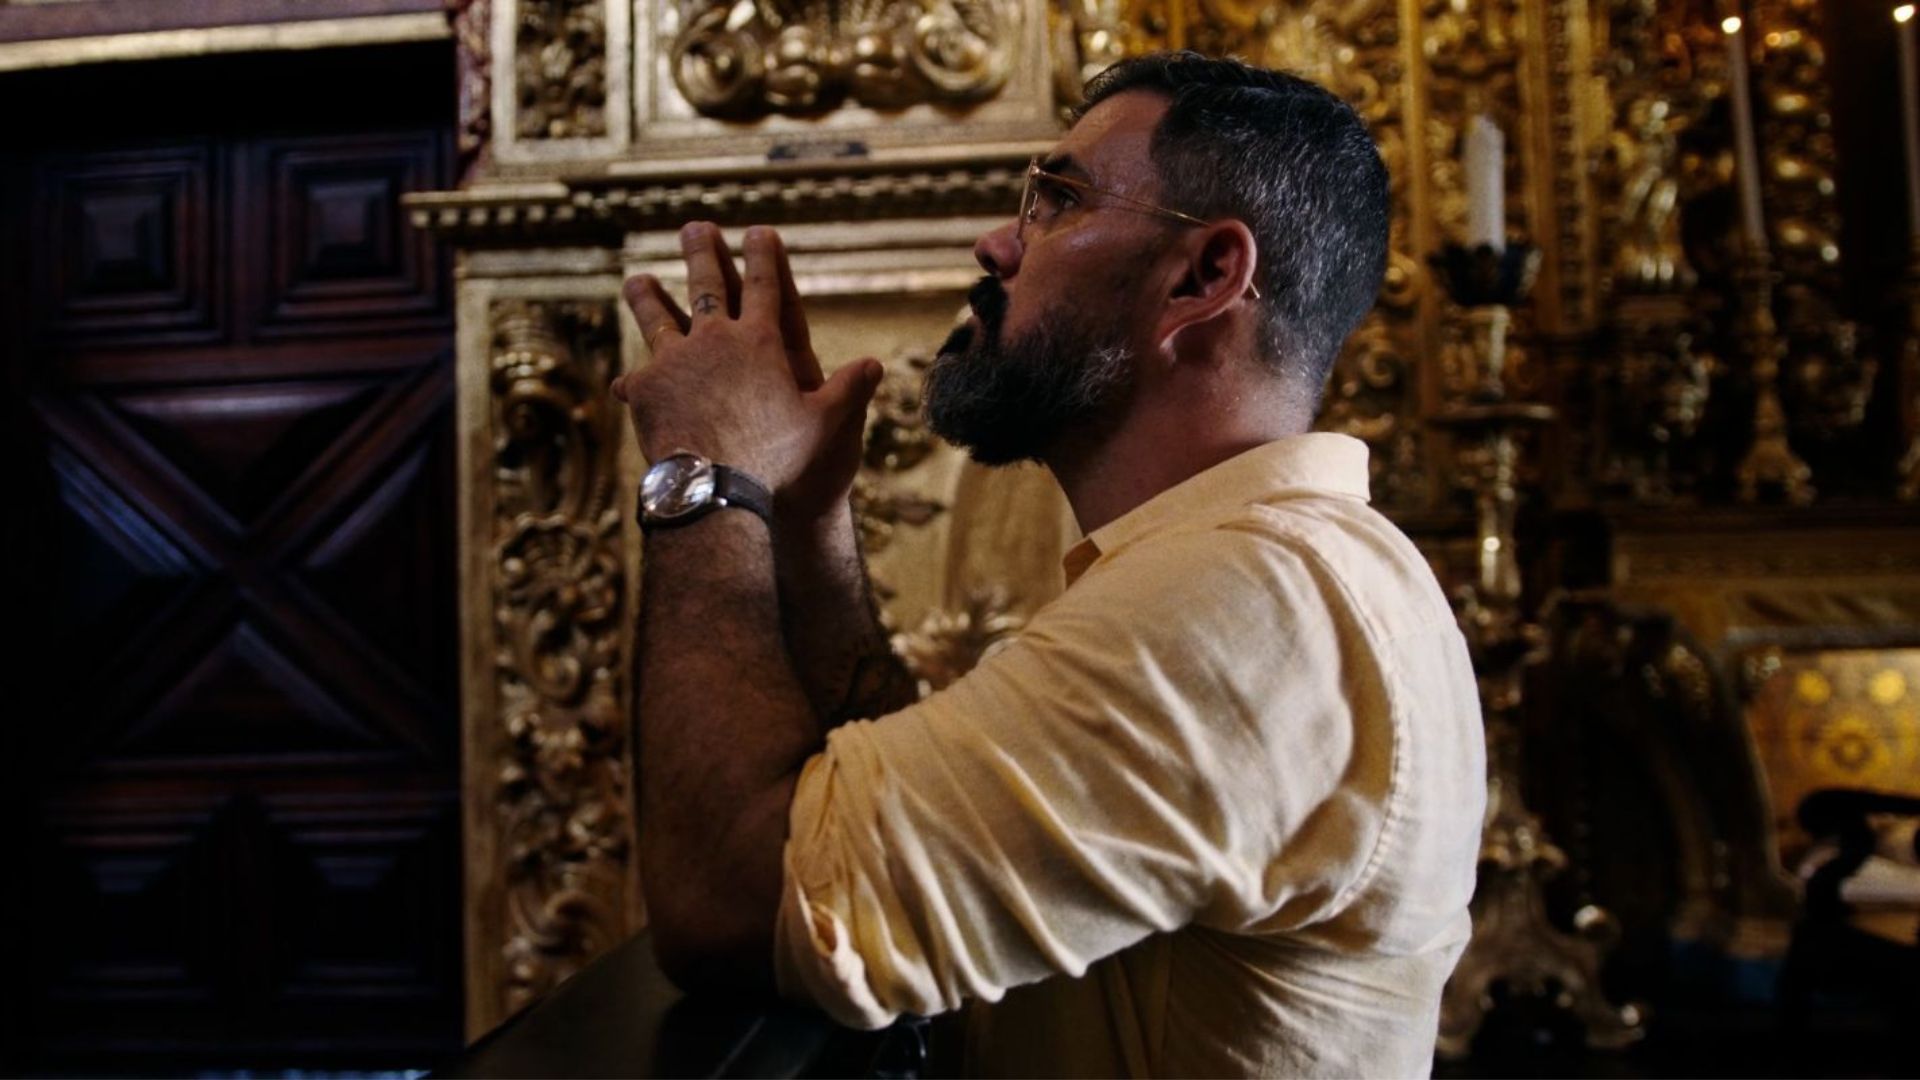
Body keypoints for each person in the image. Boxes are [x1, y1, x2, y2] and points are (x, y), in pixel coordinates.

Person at [610, 52, 1486, 1078]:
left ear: (1202, 277)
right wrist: (805, 522)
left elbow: (732, 901)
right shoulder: (1274, 571)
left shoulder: (1248, 603)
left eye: (1054, 203)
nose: (995, 244)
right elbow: (884, 826)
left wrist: (702, 473)